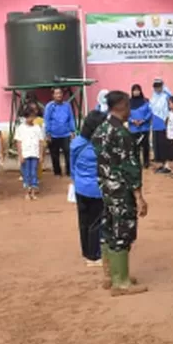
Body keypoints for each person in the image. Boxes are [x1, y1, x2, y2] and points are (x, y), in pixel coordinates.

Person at [93, 90, 148, 296]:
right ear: (122, 105)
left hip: (105, 186)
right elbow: (130, 167)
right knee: (122, 231)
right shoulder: (122, 134)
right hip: (121, 189)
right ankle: (121, 282)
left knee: (109, 228)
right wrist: (139, 196)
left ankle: (111, 275)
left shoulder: (101, 129)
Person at [71, 111, 108, 266]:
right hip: (96, 189)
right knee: (96, 222)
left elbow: (72, 166)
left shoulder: (76, 143)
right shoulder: (101, 145)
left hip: (79, 187)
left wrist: (76, 180)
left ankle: (86, 252)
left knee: (83, 221)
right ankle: (94, 255)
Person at [44, 87, 76, 178]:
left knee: (68, 153)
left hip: (66, 134)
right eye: (56, 93)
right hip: (53, 135)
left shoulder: (67, 105)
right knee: (55, 155)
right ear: (53, 95)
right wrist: (48, 133)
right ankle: (57, 173)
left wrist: (72, 131)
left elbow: (71, 118)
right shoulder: (49, 106)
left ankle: (69, 172)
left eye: (60, 93)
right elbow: (47, 120)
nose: (59, 95)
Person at [15, 106, 46, 200]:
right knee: (26, 173)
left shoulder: (37, 128)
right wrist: (20, 155)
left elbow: (41, 141)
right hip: (25, 153)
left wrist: (40, 154)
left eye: (33, 117)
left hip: (34, 153)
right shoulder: (21, 128)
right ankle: (27, 192)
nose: (31, 119)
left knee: (34, 172)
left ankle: (33, 191)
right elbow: (18, 142)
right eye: (29, 117)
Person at [150, 78, 173, 174]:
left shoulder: (166, 96)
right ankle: (160, 164)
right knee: (157, 146)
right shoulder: (153, 97)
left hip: (164, 123)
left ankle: (167, 165)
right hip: (155, 124)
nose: (157, 88)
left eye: (159, 86)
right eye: (155, 86)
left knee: (165, 145)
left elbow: (170, 106)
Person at [128, 85, 153, 169]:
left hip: (144, 127)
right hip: (133, 128)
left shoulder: (145, 101)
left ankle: (146, 162)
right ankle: (136, 162)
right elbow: (126, 114)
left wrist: (143, 120)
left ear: (140, 91)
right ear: (132, 92)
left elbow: (150, 112)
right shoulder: (128, 102)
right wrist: (132, 121)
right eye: (134, 90)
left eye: (138, 90)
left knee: (145, 146)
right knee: (135, 147)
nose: (136, 92)